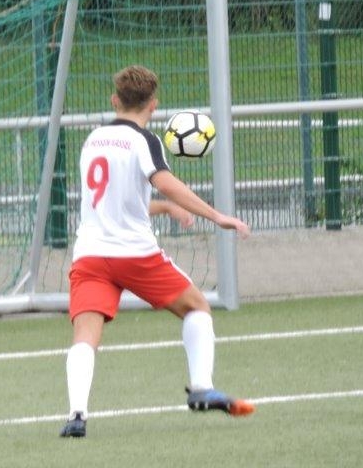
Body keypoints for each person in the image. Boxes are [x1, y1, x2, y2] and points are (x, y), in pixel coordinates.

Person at [59, 64, 255, 439]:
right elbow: (165, 182)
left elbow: (115, 202)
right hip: (135, 254)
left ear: (114, 100)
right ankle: (201, 388)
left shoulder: (93, 140)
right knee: (196, 306)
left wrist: (164, 208)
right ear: (153, 106)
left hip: (90, 255)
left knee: (85, 335)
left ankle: (76, 416)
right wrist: (217, 216)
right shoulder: (145, 141)